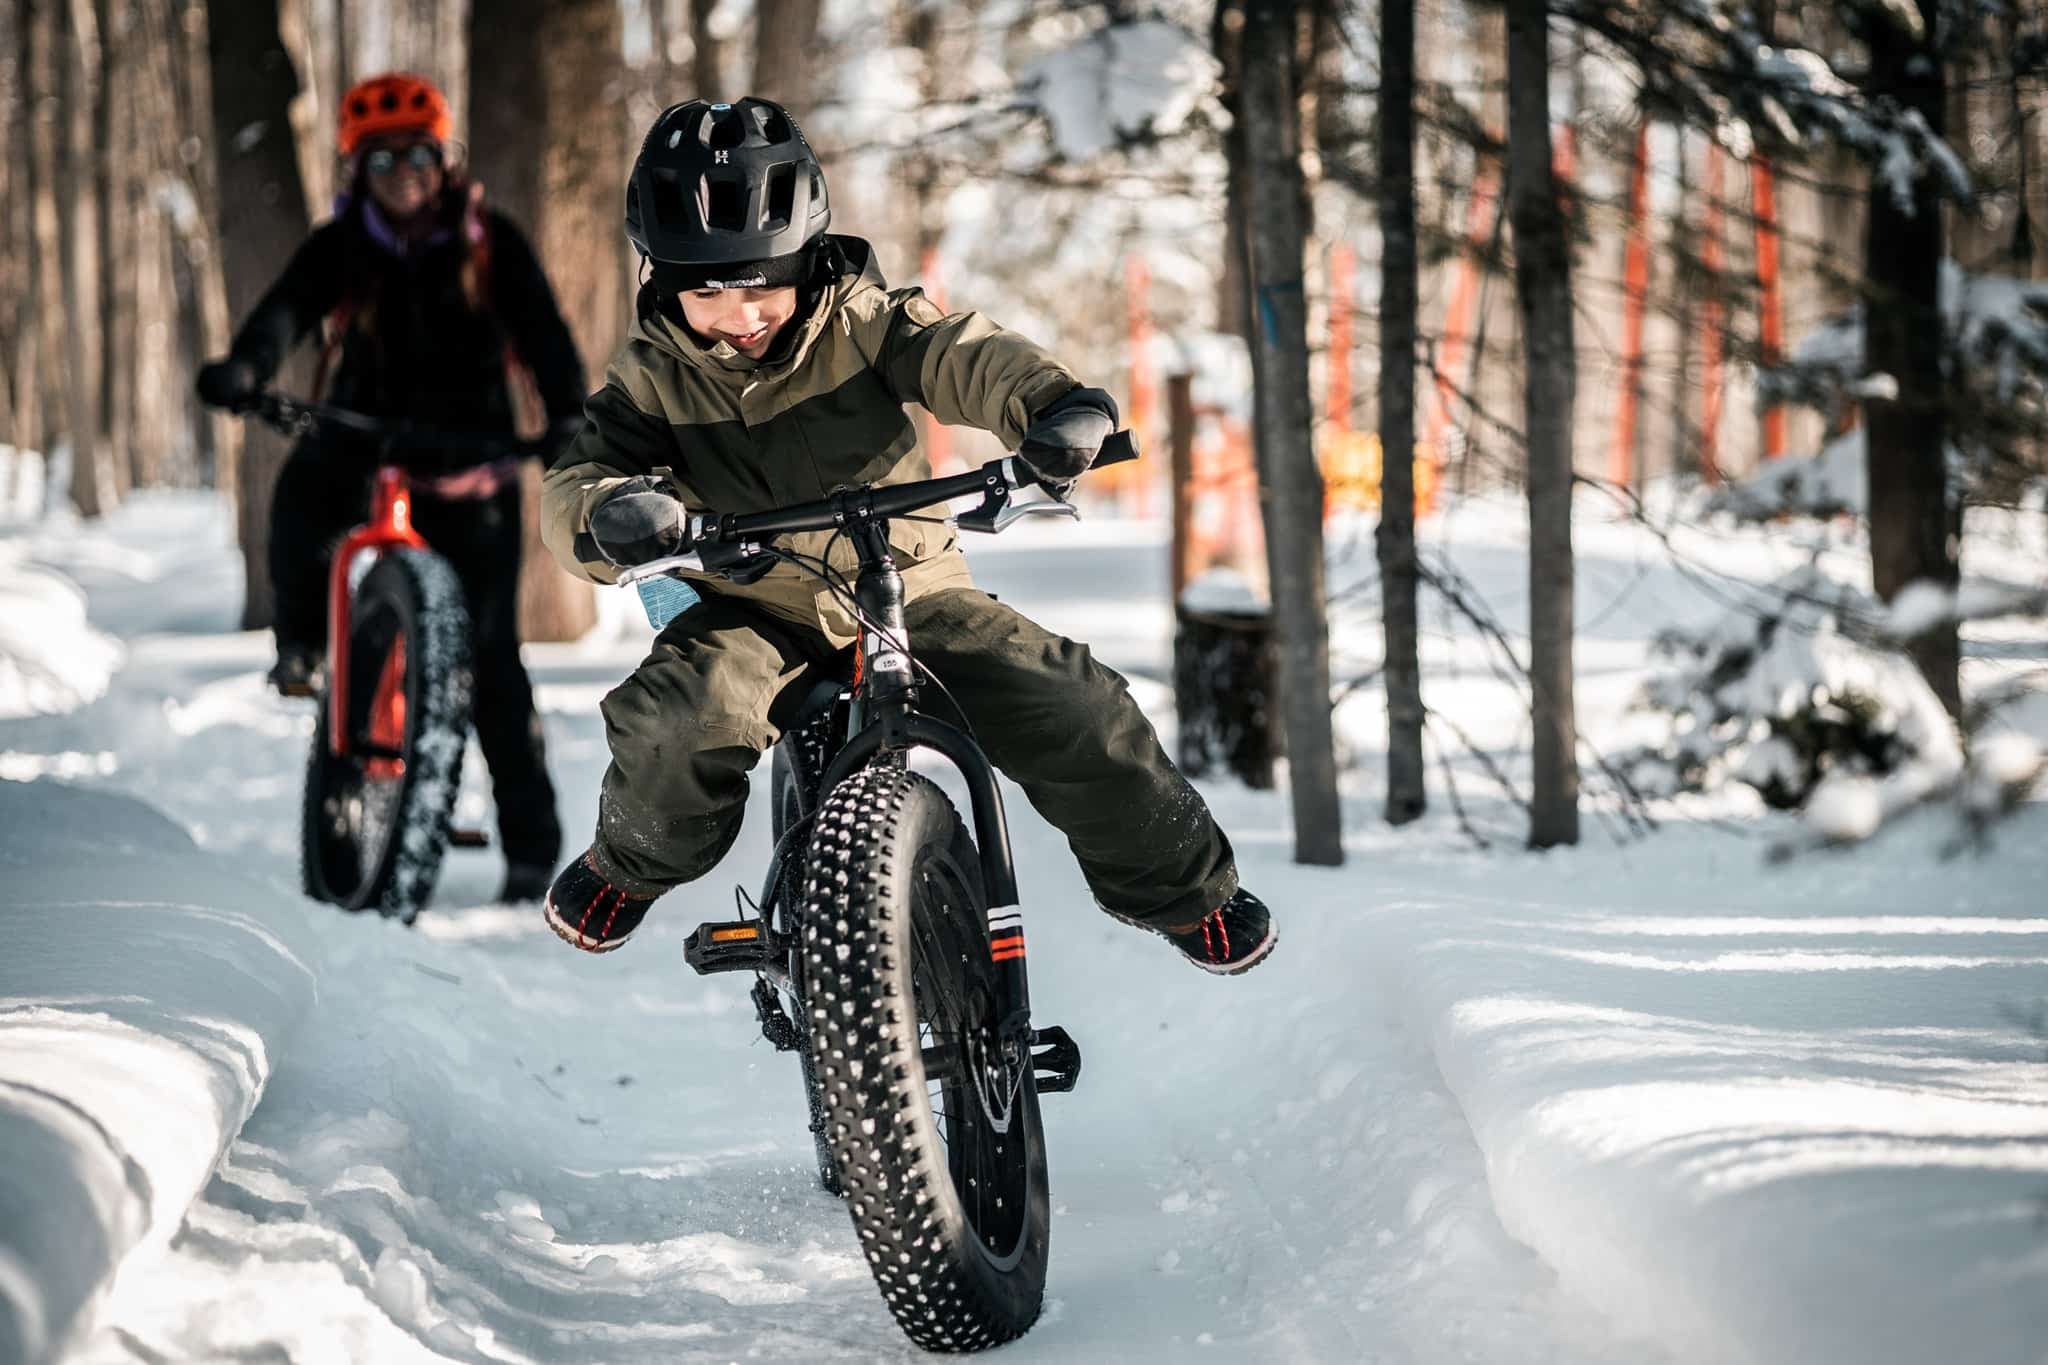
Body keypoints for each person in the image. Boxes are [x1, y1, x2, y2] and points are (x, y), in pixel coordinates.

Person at [538, 96, 1276, 974]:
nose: (739, 315)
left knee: (1077, 706)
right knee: (675, 723)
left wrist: (1050, 406)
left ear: (806, 261)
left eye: (762, 285)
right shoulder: (649, 381)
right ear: (664, 284)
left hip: (906, 586)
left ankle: (1187, 891)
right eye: (707, 292)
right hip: (750, 606)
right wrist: (611, 512)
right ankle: (627, 865)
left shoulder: (870, 324)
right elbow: (578, 481)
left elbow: (969, 356)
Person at [196, 72, 578, 904]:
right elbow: (285, 313)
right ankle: (304, 645)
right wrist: (246, 368)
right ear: (357, 169)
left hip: (472, 462)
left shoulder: (489, 242)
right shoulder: (342, 244)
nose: (401, 174)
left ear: (444, 161)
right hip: (363, 442)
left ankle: (531, 849)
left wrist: (569, 419)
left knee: (492, 660)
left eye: (416, 156)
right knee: (300, 498)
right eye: (380, 160)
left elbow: (546, 338)